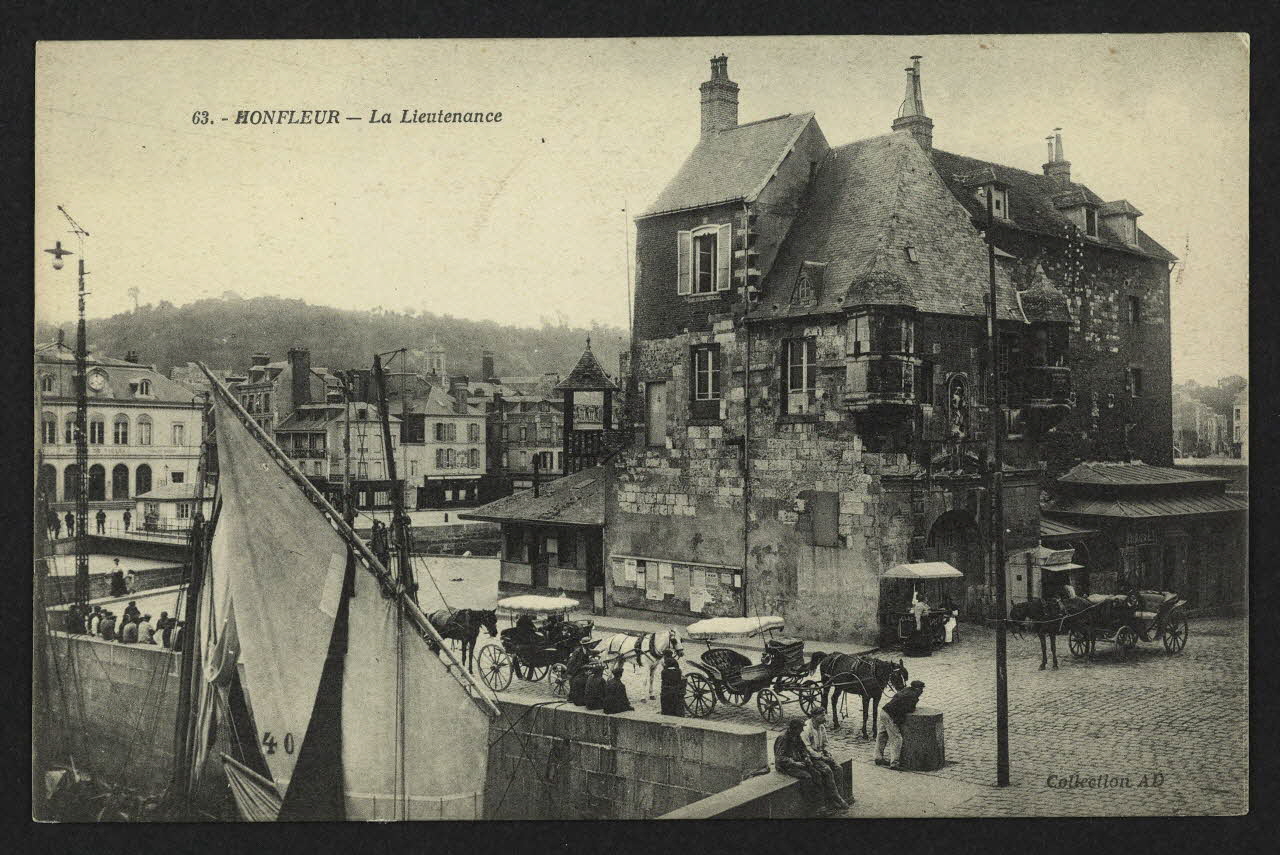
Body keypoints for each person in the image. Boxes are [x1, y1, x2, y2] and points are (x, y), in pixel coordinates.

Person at [774, 718, 849, 813]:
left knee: (817, 773)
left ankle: (822, 804)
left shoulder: (796, 735)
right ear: (794, 729)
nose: (802, 730)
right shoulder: (783, 738)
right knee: (807, 777)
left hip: (798, 762)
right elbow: (780, 758)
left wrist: (806, 758)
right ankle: (812, 806)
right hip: (786, 766)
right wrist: (794, 762)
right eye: (800, 728)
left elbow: (803, 749)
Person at [802, 710, 852, 803]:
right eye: (822, 716)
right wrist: (820, 757)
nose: (825, 718)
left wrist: (827, 753)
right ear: (814, 717)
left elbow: (826, 743)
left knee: (838, 768)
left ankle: (839, 795)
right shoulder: (806, 729)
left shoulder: (821, 727)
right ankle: (835, 798)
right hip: (811, 757)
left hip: (821, 754)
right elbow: (807, 748)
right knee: (827, 770)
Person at [875, 679, 925, 770]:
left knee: (882, 735)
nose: (922, 692)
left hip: (884, 711)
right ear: (918, 689)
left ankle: (878, 758)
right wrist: (897, 723)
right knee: (897, 738)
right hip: (890, 715)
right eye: (922, 689)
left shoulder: (906, 690)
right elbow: (908, 709)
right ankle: (894, 763)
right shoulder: (913, 696)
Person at [659, 649, 686, 717]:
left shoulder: (664, 672)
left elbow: (664, 682)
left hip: (667, 693)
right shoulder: (678, 671)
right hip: (677, 693)